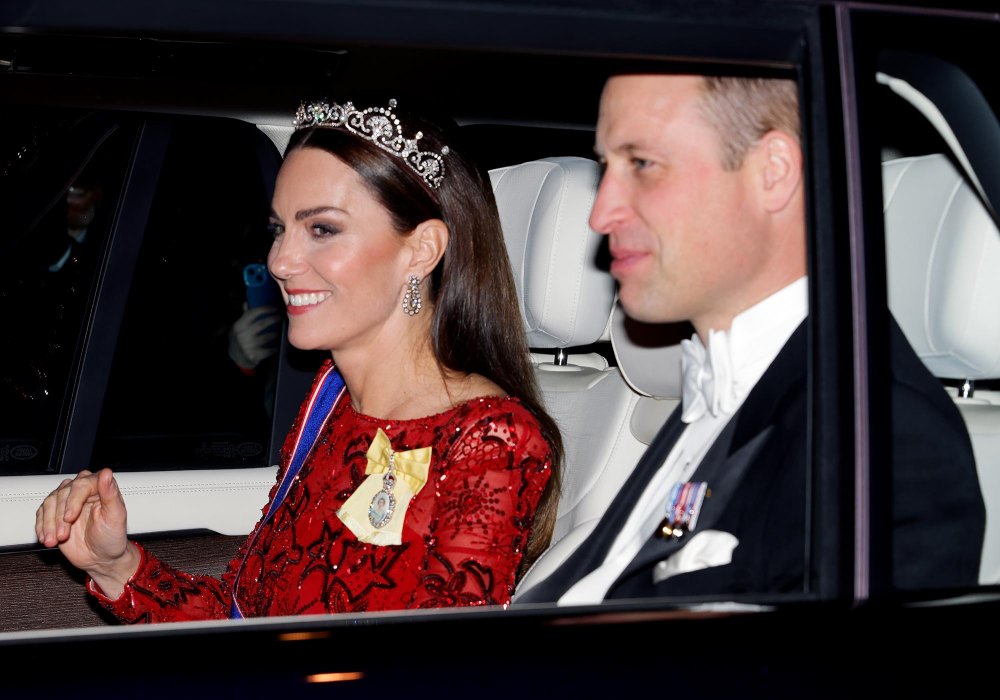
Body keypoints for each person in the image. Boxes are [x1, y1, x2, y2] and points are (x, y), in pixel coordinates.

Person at [36, 96, 563, 620]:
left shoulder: (489, 439)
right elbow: (248, 619)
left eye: (322, 229)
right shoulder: (331, 404)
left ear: (421, 250)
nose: (280, 261)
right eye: (278, 229)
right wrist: (116, 564)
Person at [513, 74, 985, 604]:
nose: (601, 214)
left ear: (773, 173)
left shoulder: (886, 443)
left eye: (642, 164)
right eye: (606, 169)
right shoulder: (720, 390)